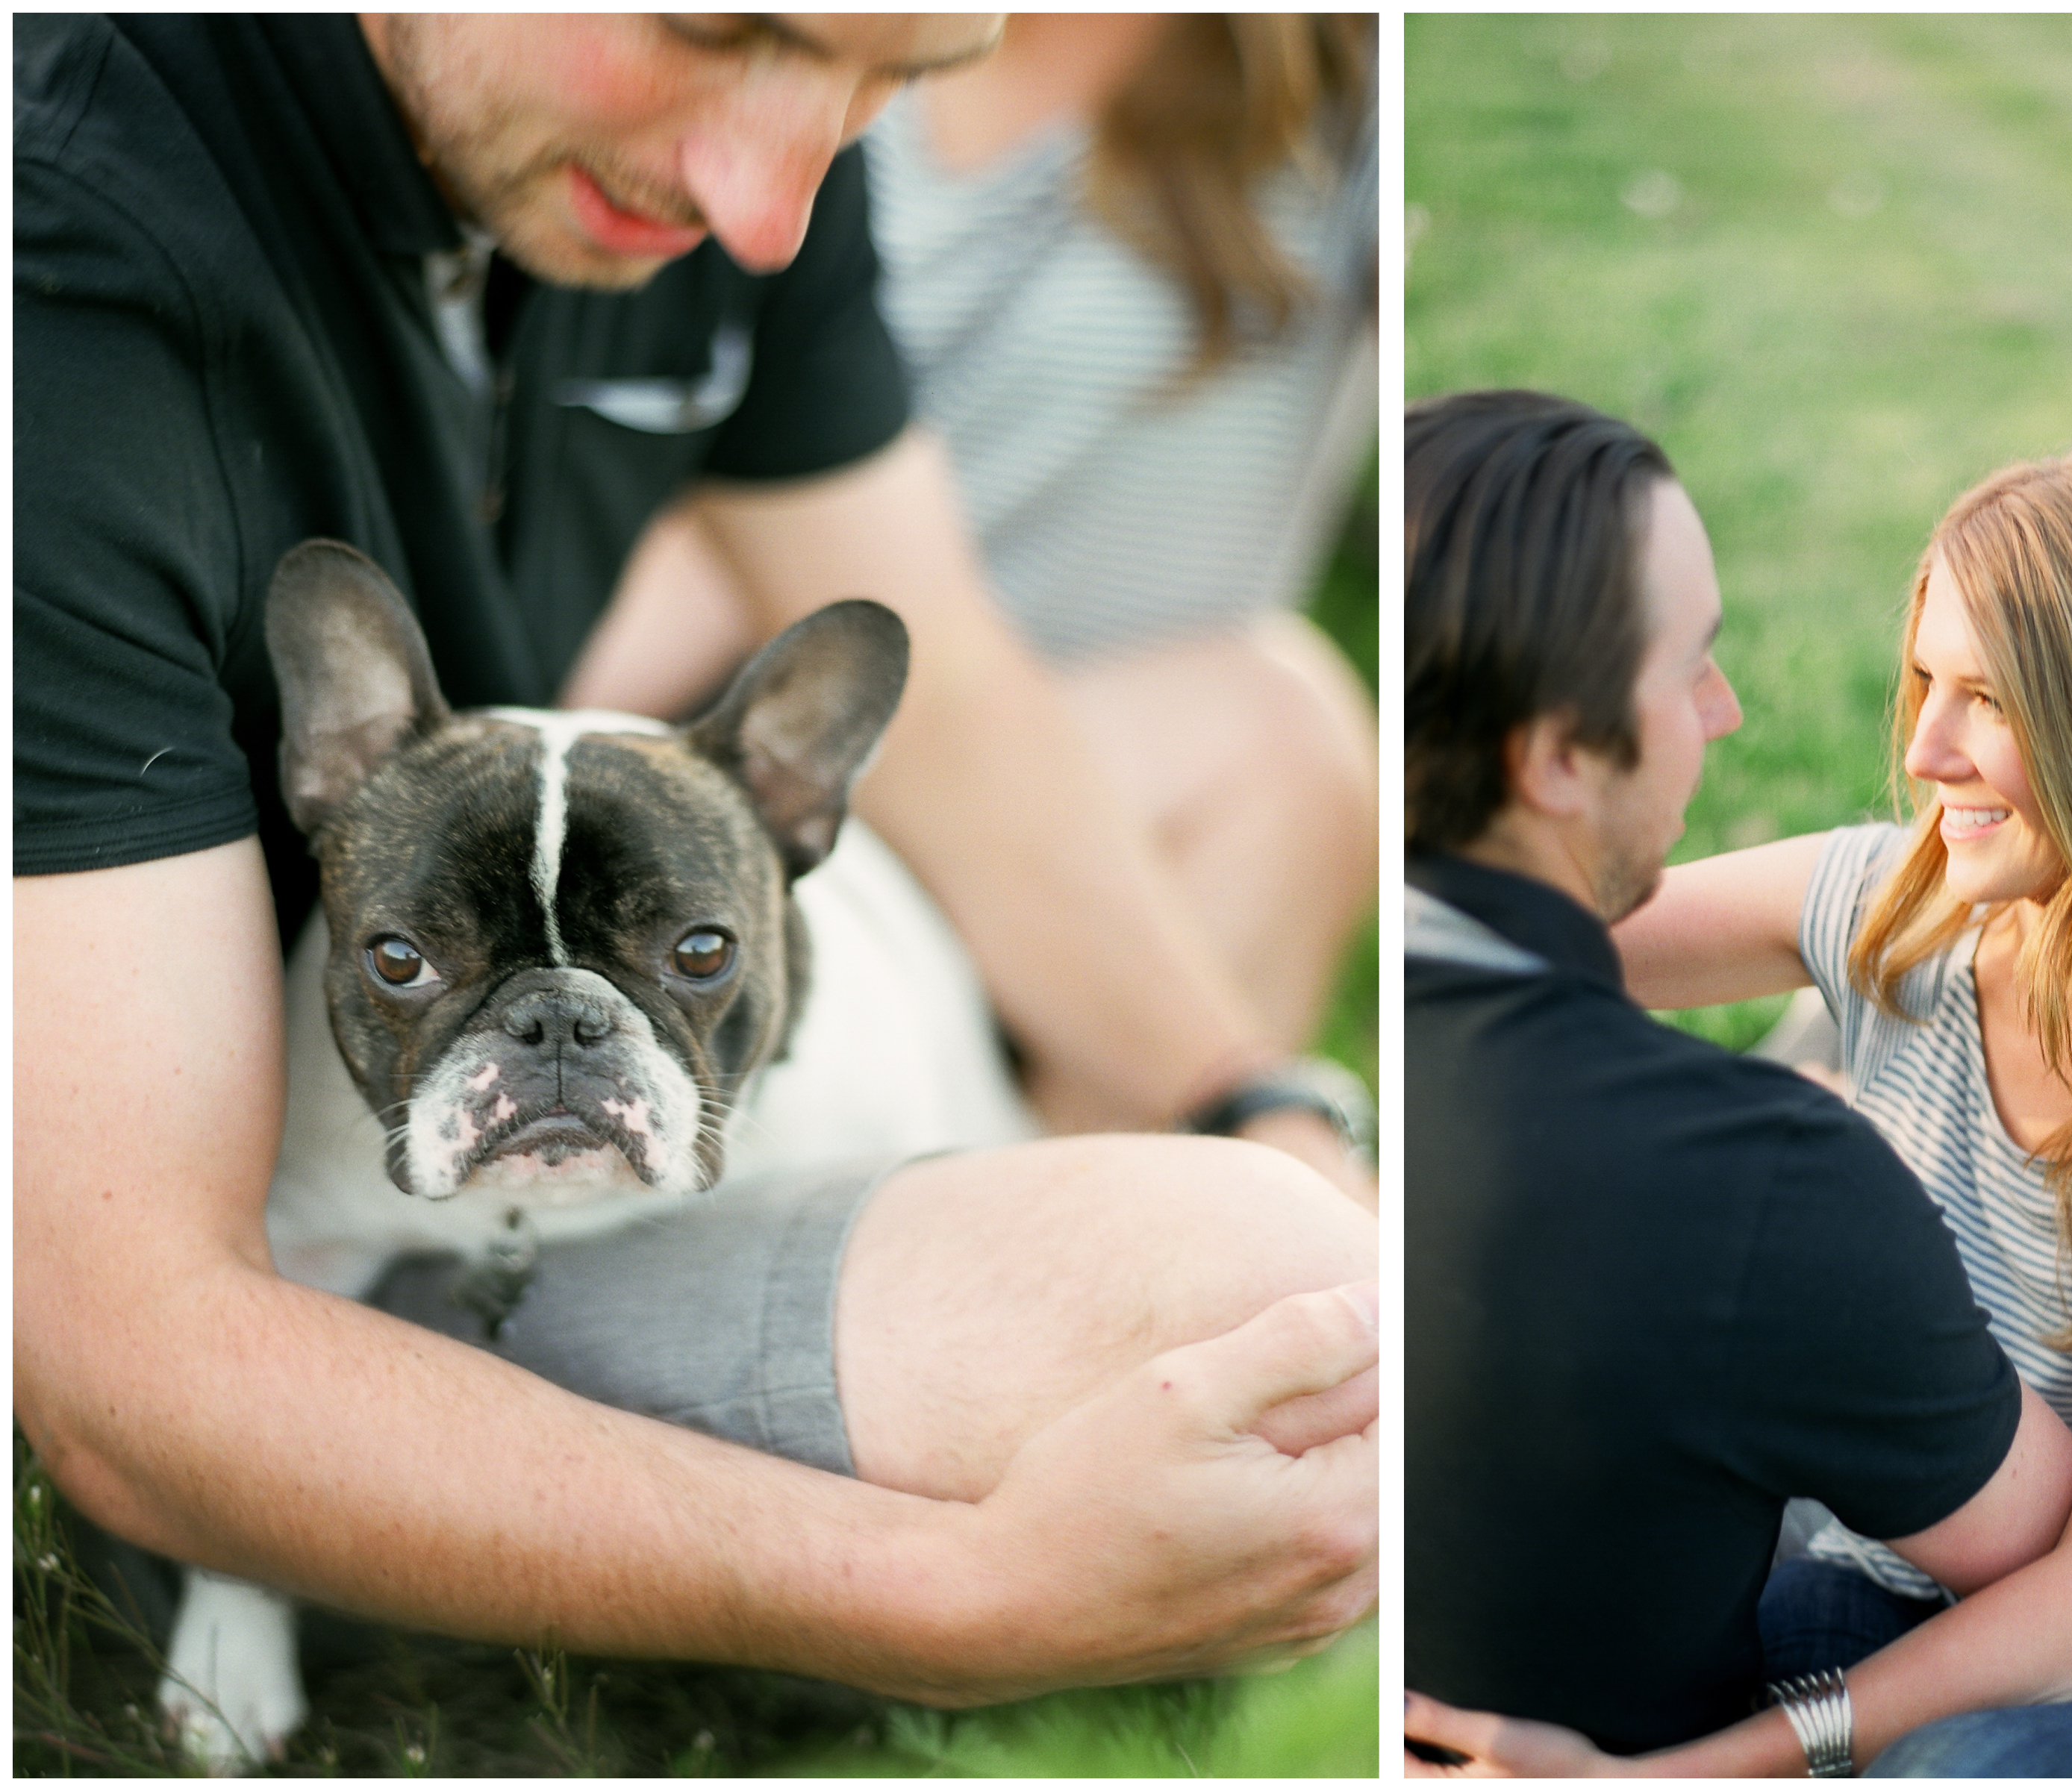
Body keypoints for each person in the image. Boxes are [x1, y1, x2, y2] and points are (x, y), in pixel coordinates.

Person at [14, 11, 1373, 1747]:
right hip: (258, 1237)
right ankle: (476, 1611)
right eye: (718, 28)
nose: (773, 206)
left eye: (896, 82)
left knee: (1268, 737)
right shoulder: (53, 268)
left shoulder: (742, 177)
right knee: (1250, 1298)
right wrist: (950, 1599)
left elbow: (937, 662)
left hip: (583, 1059)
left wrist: (1256, 1096)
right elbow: (127, 1355)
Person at [1399, 393, 2072, 1770]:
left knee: (1960, 1771)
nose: (1923, 752)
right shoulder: (1895, 900)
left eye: (1992, 702)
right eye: (1928, 684)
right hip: (1882, 1587)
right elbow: (1524, 922)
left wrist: (1688, 1774)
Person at [570, 13, 1378, 1087]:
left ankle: (1165, 1204)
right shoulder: (793, 69)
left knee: (1277, 736)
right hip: (746, 744)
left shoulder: (1346, 109)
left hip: (1086, 767)